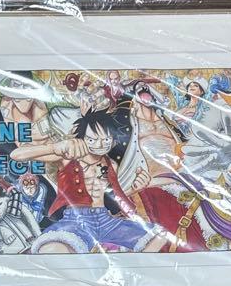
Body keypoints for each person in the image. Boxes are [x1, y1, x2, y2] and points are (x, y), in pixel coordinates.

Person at [12, 108, 166, 253]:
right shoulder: (67, 157)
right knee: (51, 249)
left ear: (113, 140)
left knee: (160, 237)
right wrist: (54, 147)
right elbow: (16, 155)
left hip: (106, 220)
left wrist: (136, 187)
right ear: (82, 138)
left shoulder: (111, 164)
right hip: (75, 220)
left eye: (106, 139)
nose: (100, 145)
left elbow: (114, 195)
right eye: (92, 139)